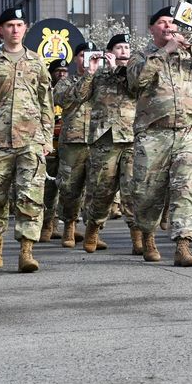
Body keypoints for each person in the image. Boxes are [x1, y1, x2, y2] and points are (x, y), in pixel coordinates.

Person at [127, 6, 192, 266]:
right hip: (153, 133)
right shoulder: (141, 55)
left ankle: (183, 244)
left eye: (173, 22)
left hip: (188, 130)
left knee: (188, 187)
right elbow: (135, 82)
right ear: (151, 28)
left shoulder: (189, 54)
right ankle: (147, 235)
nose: (169, 27)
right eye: (162, 22)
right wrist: (165, 51)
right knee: (148, 192)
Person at [0, 6, 54, 273]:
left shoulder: (37, 62)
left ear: (25, 28)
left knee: (31, 196)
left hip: (31, 140)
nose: (15, 30)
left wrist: (47, 137)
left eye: (19, 25)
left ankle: (26, 251)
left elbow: (46, 102)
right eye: (9, 26)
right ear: (0, 30)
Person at [74, 34, 139, 254]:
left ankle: (138, 237)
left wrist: (118, 70)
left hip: (132, 137)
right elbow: (78, 97)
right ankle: (93, 228)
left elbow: (135, 90)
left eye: (126, 47)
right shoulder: (99, 75)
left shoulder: (136, 73)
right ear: (110, 52)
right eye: (119, 47)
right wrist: (90, 72)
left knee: (133, 191)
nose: (123, 51)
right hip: (105, 139)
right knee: (101, 190)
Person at [54, 43, 98, 248]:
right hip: (73, 142)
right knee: (70, 188)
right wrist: (88, 75)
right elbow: (68, 98)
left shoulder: (102, 81)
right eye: (81, 55)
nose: (85, 59)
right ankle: (69, 226)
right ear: (75, 59)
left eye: (90, 55)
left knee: (97, 189)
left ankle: (93, 231)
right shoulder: (65, 82)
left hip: (98, 141)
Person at [39, 59, 68, 242]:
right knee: (49, 190)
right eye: (58, 71)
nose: (62, 74)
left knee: (67, 189)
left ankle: (60, 226)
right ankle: (46, 226)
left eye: (65, 71)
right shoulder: (44, 91)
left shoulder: (71, 90)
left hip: (66, 146)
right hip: (49, 148)